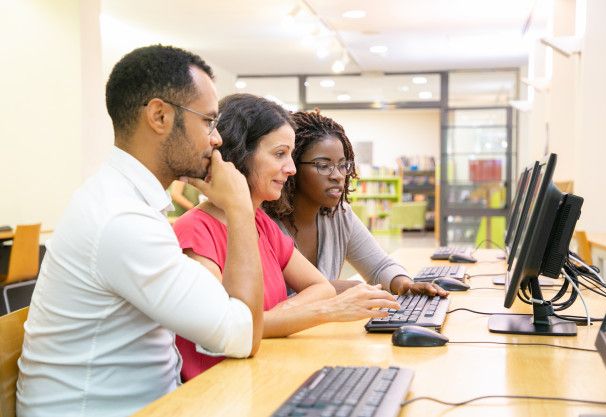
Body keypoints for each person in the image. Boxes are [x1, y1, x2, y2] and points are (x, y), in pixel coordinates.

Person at [16, 45, 264, 417]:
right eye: (208, 122)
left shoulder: (124, 201)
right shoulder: (121, 219)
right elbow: (242, 336)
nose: (217, 140)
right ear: (160, 116)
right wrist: (240, 209)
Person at [173, 93, 400, 380]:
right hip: (220, 387)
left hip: (265, 371)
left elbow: (321, 288)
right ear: (240, 155)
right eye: (280, 154)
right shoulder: (194, 232)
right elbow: (234, 329)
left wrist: (272, 318)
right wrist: (326, 312)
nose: (291, 169)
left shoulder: (261, 223)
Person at [264, 109, 448, 297]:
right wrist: (333, 290)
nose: (338, 175)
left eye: (343, 165)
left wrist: (404, 284)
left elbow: (379, 266)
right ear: (292, 166)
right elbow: (267, 305)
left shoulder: (339, 215)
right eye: (323, 165)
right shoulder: (264, 224)